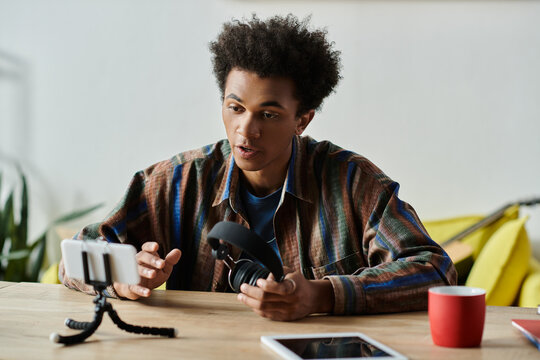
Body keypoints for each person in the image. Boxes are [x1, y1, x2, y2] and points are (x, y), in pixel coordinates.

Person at [60, 14, 457, 321]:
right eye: (235, 108)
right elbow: (73, 259)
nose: (245, 131)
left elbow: (435, 270)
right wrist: (123, 276)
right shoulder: (176, 182)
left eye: (268, 114)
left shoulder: (353, 182)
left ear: (302, 120)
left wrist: (323, 294)